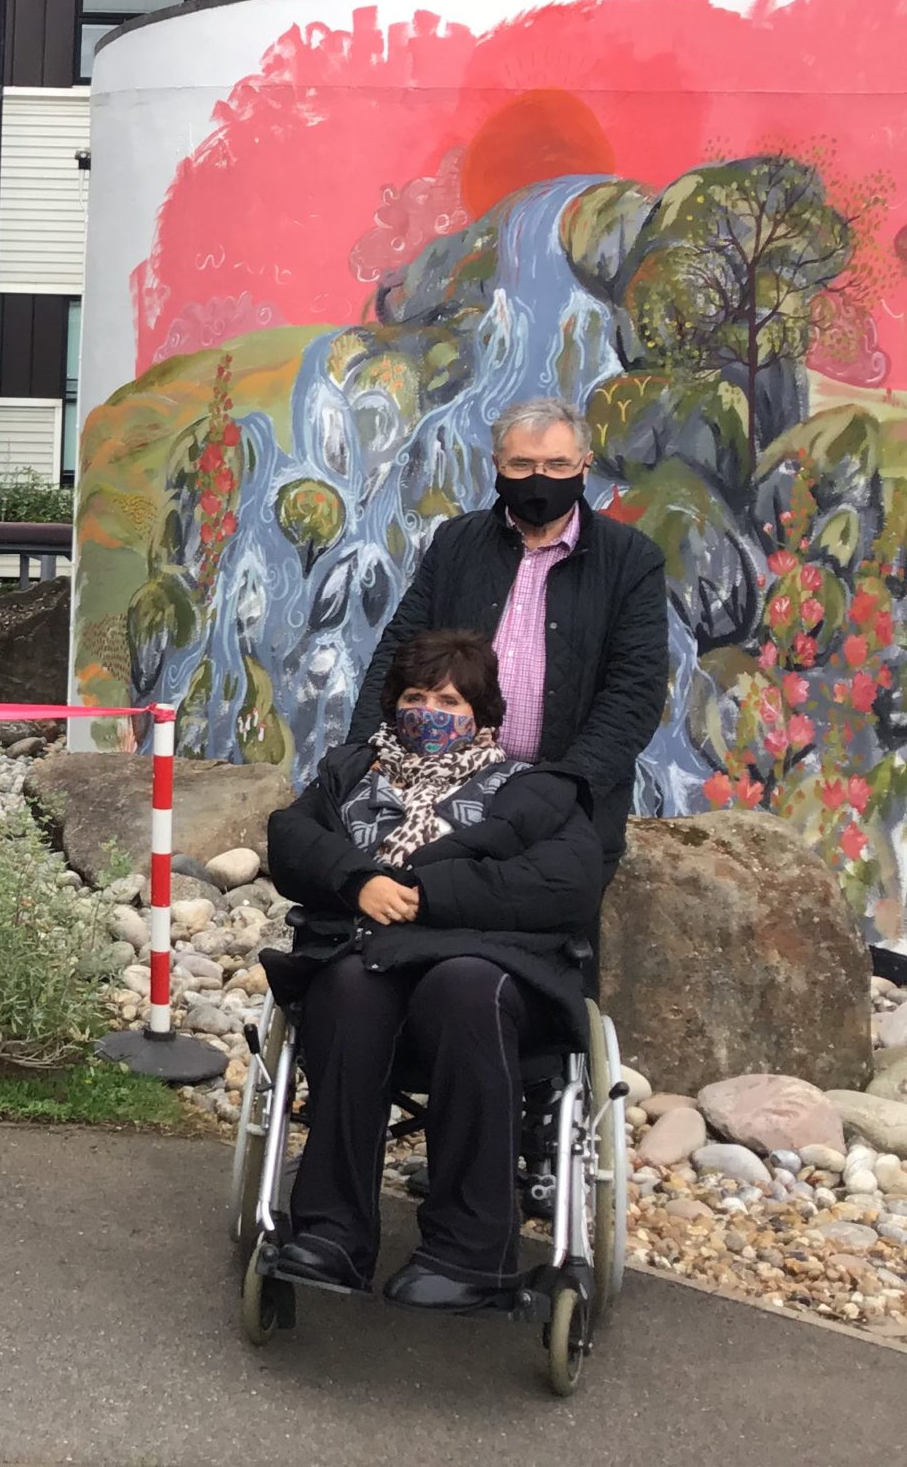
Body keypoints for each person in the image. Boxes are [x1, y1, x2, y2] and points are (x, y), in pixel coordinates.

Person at [265, 629, 605, 1312]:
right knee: (349, 987)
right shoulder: (349, 773)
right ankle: (331, 1234)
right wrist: (358, 879)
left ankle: (469, 1256)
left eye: (450, 701)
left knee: (463, 987)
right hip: (371, 959)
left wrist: (430, 896)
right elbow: (291, 837)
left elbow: (567, 884)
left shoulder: (533, 790)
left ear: (482, 713)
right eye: (417, 697)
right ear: (394, 703)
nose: (431, 711)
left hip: (489, 972)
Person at [350, 396, 666, 873]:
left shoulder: (631, 559)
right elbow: (400, 652)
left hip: (565, 805)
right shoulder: (455, 543)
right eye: (522, 464)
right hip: (440, 792)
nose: (540, 478)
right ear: (497, 464)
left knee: (534, 914)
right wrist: (361, 752)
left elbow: (635, 692)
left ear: (585, 466)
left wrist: (566, 783)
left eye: (557, 464)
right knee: (405, 903)